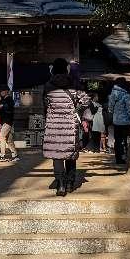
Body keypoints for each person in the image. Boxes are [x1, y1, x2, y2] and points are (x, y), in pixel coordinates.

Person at [42, 58, 91, 196]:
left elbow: (45, 105)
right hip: (69, 124)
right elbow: (86, 101)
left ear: (53, 69)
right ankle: (70, 183)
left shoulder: (48, 86)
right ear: (66, 69)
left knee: (57, 155)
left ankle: (61, 185)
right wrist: (76, 109)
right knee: (70, 154)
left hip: (53, 125)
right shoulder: (74, 84)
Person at [108, 78, 130, 167]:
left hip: (116, 121)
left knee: (118, 141)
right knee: (127, 140)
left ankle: (118, 159)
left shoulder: (112, 94)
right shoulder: (127, 95)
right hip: (126, 121)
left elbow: (110, 108)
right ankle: (127, 157)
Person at [0, 86, 18, 162]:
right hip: (3, 121)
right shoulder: (1, 100)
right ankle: (15, 155)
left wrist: (3, 106)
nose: (1, 92)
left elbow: (10, 108)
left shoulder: (10, 99)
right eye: (0, 91)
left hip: (8, 121)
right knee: (9, 140)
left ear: (7, 91)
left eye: (3, 91)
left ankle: (2, 155)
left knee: (2, 136)